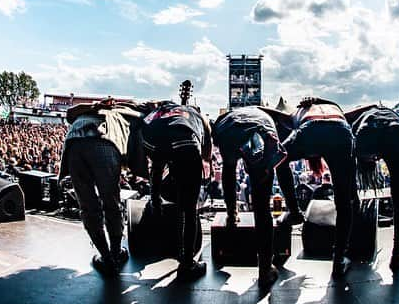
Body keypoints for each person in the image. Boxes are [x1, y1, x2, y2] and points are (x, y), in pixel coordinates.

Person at [212, 106, 296, 287]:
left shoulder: (226, 118)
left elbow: (228, 171)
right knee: (261, 206)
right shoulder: (268, 119)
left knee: (229, 168)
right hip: (262, 132)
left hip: (230, 131)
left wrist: (231, 211)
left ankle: (231, 213)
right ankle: (265, 269)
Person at [60, 98, 143, 277]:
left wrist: (95, 105)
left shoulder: (86, 111)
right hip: (104, 142)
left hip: (74, 144)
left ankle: (105, 256)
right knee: (111, 202)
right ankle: (115, 253)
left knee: (88, 206)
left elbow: (69, 113)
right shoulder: (132, 112)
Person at [278, 97, 356, 277]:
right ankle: (339, 259)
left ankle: (295, 211)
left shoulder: (296, 112)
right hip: (341, 131)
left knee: (279, 159)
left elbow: (280, 122)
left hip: (310, 128)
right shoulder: (335, 107)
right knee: (345, 202)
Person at [141, 100, 212, 280]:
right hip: (187, 147)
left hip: (157, 139)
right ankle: (188, 264)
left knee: (157, 168)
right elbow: (206, 153)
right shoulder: (199, 117)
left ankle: (155, 201)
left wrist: (155, 193)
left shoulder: (166, 110)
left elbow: (156, 165)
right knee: (189, 210)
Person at [345, 103, 399, 271]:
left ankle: (346, 249)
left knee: (349, 193)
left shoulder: (357, 118)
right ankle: (398, 253)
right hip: (397, 131)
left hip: (365, 134)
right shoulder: (389, 114)